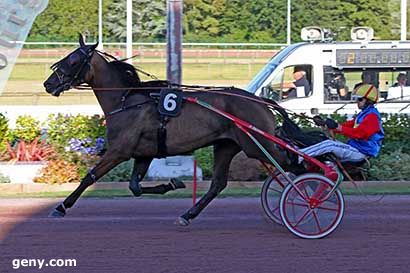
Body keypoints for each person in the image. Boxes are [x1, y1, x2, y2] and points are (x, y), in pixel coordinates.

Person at [300, 84, 384, 163]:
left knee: (329, 145)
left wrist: (337, 127)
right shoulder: (364, 113)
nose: (357, 102)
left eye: (360, 99)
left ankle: (298, 156)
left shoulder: (372, 116)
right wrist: (325, 123)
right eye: (357, 99)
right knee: (323, 139)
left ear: (369, 101)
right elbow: (347, 125)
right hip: (356, 148)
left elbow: (359, 133)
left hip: (361, 152)